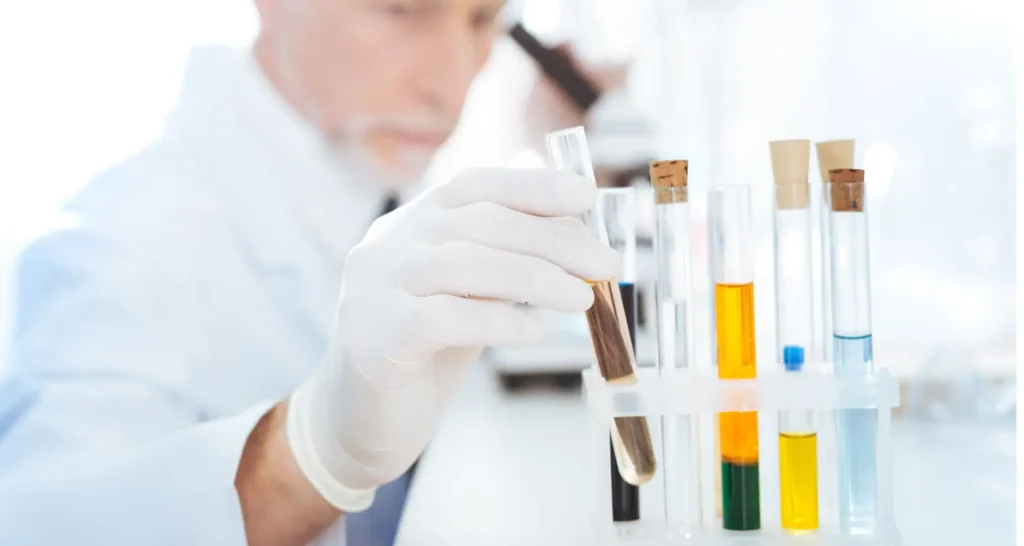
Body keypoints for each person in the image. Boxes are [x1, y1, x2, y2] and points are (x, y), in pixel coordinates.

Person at [0, 0, 625, 545]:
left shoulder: (366, 175)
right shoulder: (120, 248)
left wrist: (567, 166)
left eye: (483, 18)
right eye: (401, 9)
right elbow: (44, 524)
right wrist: (310, 455)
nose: (453, 81)